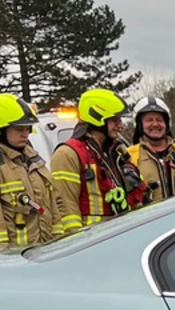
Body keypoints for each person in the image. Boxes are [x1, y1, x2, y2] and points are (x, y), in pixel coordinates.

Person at [50, 88, 143, 232]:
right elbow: (66, 207)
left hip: (122, 233)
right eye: (114, 120)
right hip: (93, 240)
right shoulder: (68, 154)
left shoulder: (117, 151)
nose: (120, 125)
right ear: (97, 118)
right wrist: (76, 244)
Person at [0, 94, 62, 246]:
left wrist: (59, 243)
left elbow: (53, 208)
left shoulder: (34, 159)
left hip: (45, 252)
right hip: (16, 260)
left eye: (28, 128)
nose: (26, 134)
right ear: (0, 129)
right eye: (19, 129)